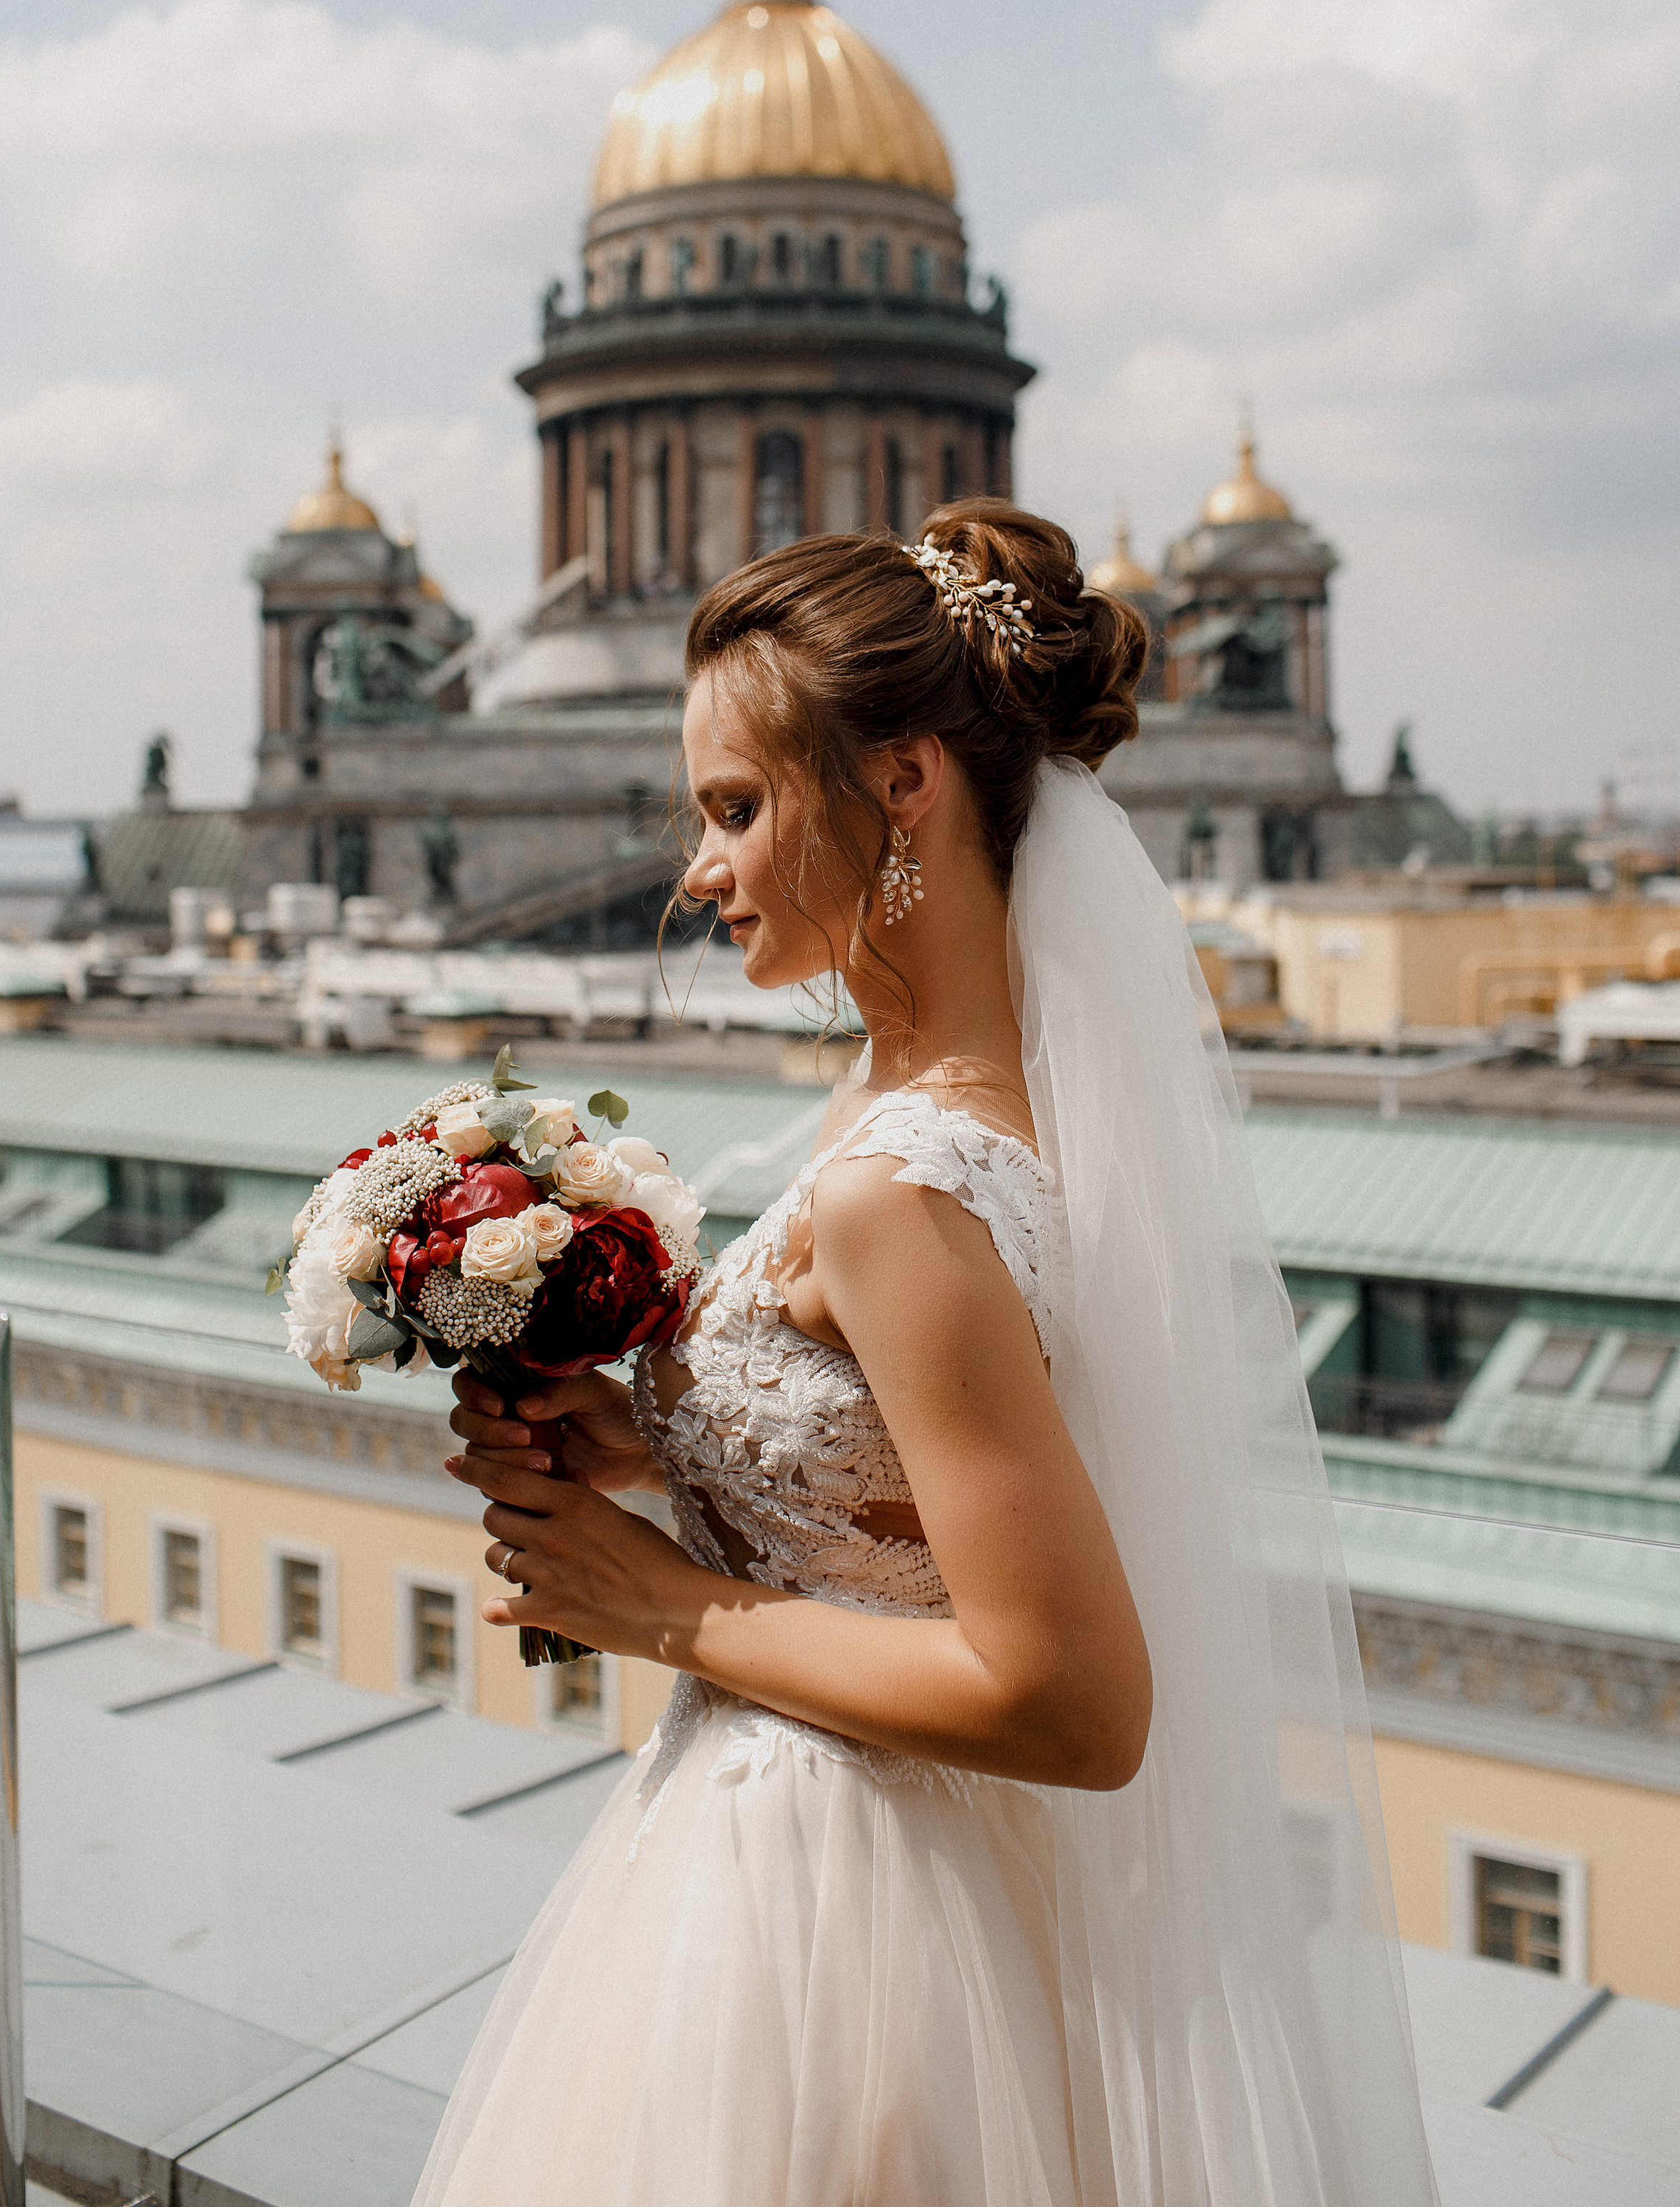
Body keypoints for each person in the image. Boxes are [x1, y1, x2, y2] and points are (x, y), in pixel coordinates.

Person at [417, 502, 1436, 2207]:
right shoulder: (938, 1106)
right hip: (896, 1888)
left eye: (734, 810)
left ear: (902, 782)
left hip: (832, 1924)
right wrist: (660, 1440)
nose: (697, 873)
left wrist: (654, 1603)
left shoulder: (900, 1184)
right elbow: (920, 1451)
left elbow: (1072, 1702)